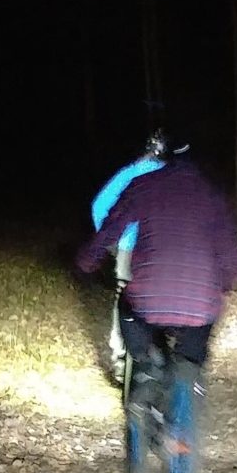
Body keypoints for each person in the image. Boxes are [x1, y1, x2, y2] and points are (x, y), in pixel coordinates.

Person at [76, 140, 237, 473]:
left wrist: (88, 261)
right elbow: (231, 257)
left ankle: (149, 371)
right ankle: (189, 381)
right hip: (200, 304)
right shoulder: (211, 195)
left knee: (128, 311)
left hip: (148, 296)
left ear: (161, 160)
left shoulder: (144, 184)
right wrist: (226, 282)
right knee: (196, 344)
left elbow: (107, 229)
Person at [90, 129, 169, 373]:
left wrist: (112, 237)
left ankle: (120, 356)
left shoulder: (130, 173)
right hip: (159, 248)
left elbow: (99, 205)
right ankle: (158, 351)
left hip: (128, 248)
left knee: (124, 298)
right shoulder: (171, 177)